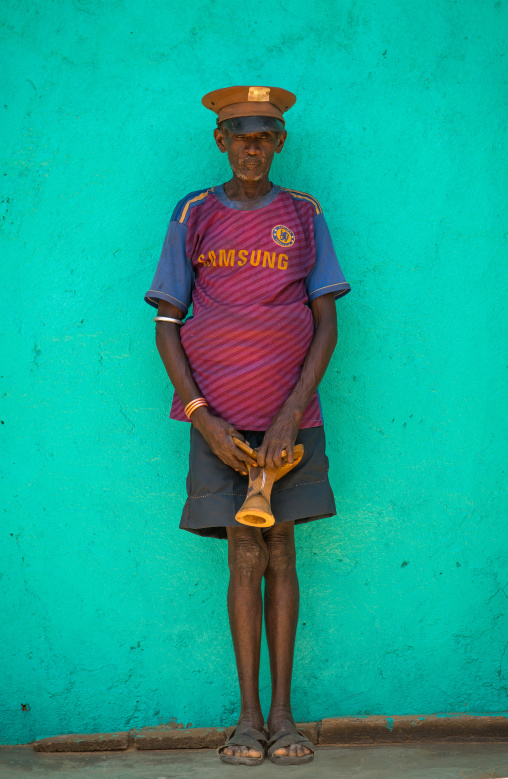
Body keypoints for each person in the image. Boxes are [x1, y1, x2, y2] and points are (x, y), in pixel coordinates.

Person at [145, 85, 350, 766]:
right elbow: (167, 322)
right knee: (242, 557)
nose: (252, 146)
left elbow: (325, 320)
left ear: (281, 141)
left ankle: (286, 717)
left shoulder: (303, 212)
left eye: (265, 135)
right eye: (240, 135)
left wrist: (292, 412)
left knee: (283, 553)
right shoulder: (194, 212)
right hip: (220, 426)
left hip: (290, 422)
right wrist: (203, 418)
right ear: (220, 141)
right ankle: (247, 719)